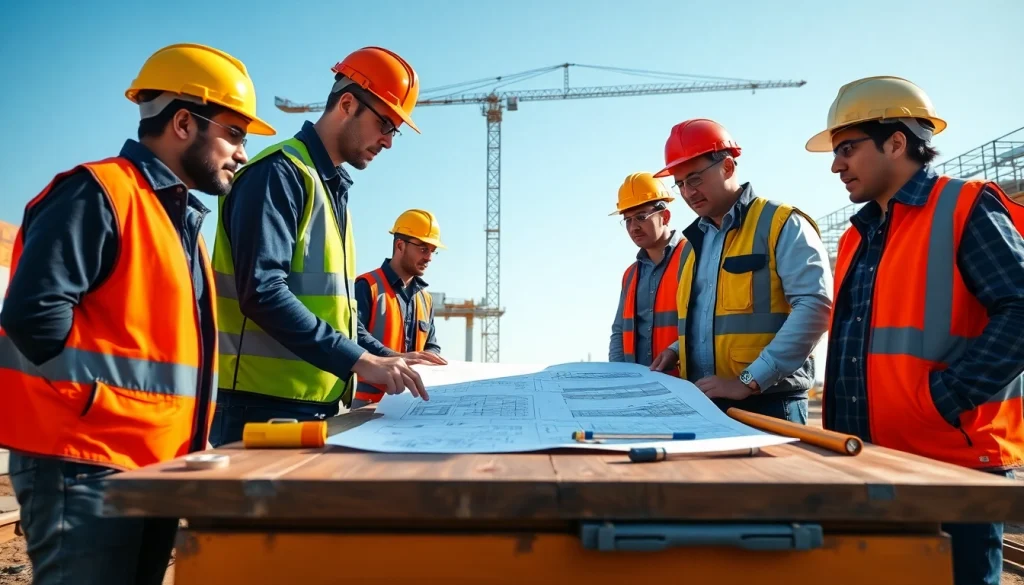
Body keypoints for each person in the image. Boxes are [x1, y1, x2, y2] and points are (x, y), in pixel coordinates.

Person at [0, 43, 275, 585]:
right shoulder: (98, 192)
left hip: (154, 464)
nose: (242, 154)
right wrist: (108, 408)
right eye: (234, 133)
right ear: (182, 123)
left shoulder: (177, 220)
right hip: (86, 465)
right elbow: (34, 318)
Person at [807, 75, 1024, 585]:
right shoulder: (858, 238)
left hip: (952, 467)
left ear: (896, 142)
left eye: (847, 148)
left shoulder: (964, 206)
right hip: (868, 462)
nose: (836, 165)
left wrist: (944, 400)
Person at [209, 47, 436, 446]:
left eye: (394, 130)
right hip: (258, 407)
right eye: (385, 123)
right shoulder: (278, 175)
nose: (388, 141)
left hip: (316, 406)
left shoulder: (329, 189)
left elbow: (338, 315)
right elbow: (263, 292)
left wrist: (385, 355)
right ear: (347, 104)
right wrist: (360, 360)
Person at [649, 119, 832, 424]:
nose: (688, 192)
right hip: (707, 405)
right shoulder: (692, 247)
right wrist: (677, 349)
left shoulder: (781, 224)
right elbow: (718, 320)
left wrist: (749, 380)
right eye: (679, 184)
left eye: (694, 179)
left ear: (728, 167)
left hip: (772, 405)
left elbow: (815, 306)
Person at [351, 209, 448, 408]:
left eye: (432, 250)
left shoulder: (426, 299)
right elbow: (353, 333)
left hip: (410, 404)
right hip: (368, 404)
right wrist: (394, 357)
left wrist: (429, 360)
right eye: (423, 248)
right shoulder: (367, 286)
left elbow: (432, 345)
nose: (429, 257)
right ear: (400, 245)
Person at [608, 172, 684, 373]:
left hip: (687, 383)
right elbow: (619, 332)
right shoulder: (630, 275)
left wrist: (676, 351)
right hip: (639, 384)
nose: (633, 227)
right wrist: (617, 375)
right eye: (628, 220)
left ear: (665, 216)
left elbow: (706, 325)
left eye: (641, 217)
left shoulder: (693, 257)